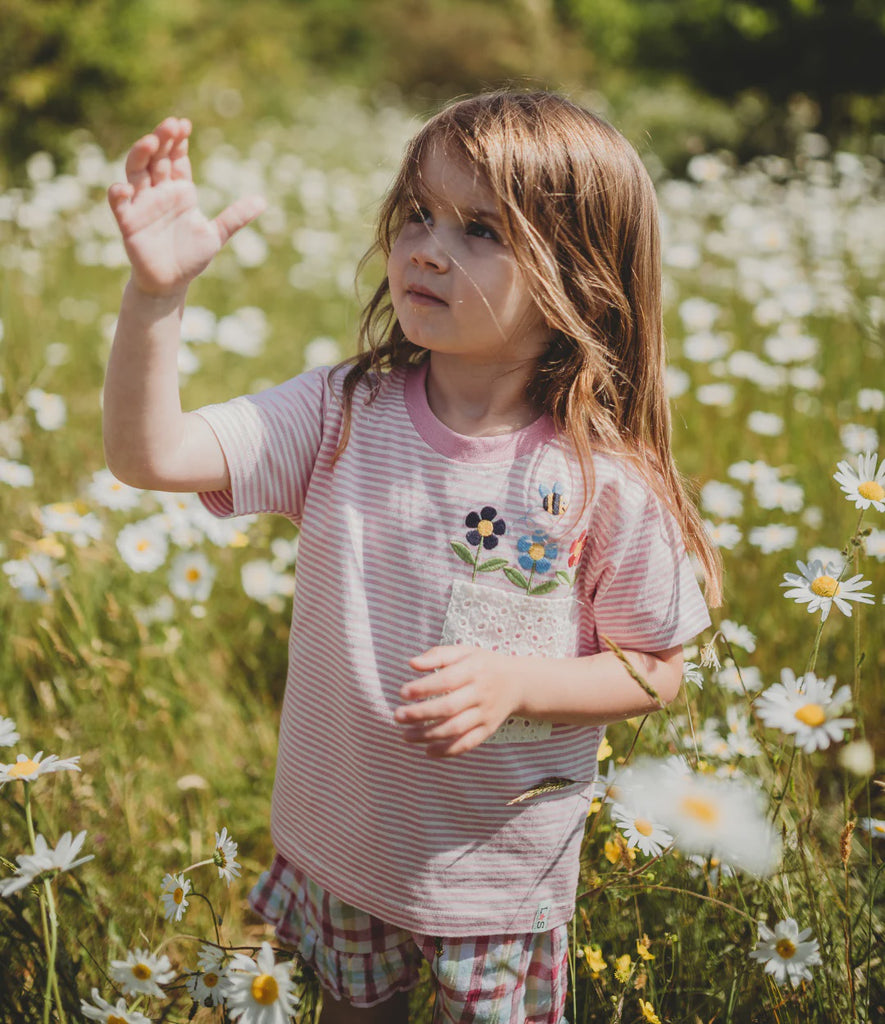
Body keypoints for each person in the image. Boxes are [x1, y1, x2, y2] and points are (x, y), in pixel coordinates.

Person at [104, 91, 720, 1024]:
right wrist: (156, 298)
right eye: (419, 214)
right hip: (343, 840)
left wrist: (521, 684)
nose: (427, 247)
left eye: (480, 230)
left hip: (494, 881)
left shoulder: (604, 480)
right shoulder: (340, 411)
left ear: (581, 279)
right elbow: (149, 457)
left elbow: (656, 670)